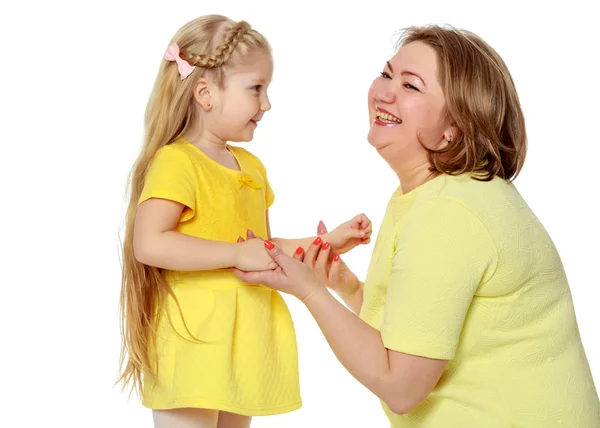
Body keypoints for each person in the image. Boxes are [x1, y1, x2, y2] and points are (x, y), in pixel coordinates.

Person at [234, 24, 600, 427]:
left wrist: (308, 289)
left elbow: (402, 386)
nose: (383, 91)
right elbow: (421, 331)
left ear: (453, 130)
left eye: (411, 86)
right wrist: (350, 288)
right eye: (387, 74)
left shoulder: (448, 214)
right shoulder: (444, 194)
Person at [116, 15, 372, 428]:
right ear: (205, 93)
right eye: (256, 89)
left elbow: (263, 250)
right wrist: (237, 252)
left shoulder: (250, 166)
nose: (266, 104)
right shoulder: (177, 161)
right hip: (193, 344)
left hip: (243, 344)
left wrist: (325, 243)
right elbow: (149, 244)